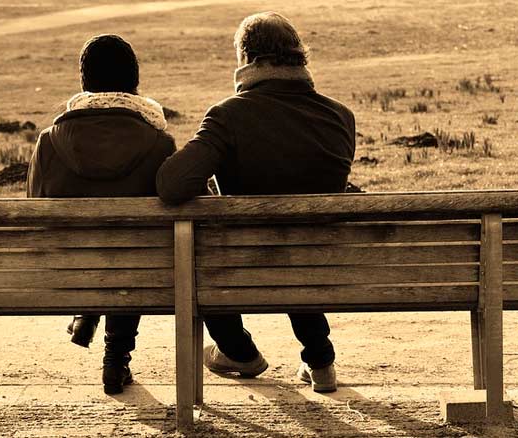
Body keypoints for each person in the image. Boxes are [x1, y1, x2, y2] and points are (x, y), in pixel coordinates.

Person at [156, 12, 355, 393]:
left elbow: (171, 183)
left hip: (243, 265)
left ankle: (239, 351)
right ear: (299, 58)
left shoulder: (228, 115)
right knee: (299, 237)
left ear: (248, 59)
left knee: (200, 248)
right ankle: (320, 359)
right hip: (322, 265)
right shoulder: (341, 117)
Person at [27, 34, 176, 394]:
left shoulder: (49, 140)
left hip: (69, 269)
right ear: (134, 82)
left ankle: (88, 311)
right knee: (132, 252)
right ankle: (116, 359)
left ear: (85, 82)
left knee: (102, 251)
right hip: (138, 268)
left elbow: (32, 205)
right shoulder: (159, 141)